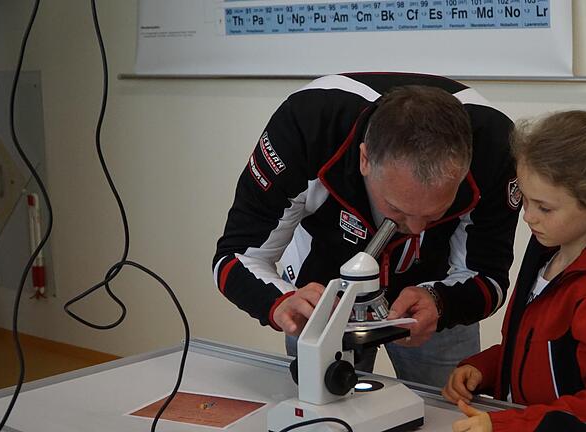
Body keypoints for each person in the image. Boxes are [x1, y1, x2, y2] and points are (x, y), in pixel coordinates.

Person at [213, 72, 520, 387]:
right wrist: (279, 302)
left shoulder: (495, 149)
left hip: (432, 298)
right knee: (321, 410)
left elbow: (490, 277)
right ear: (364, 159)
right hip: (324, 294)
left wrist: (442, 303)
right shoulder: (306, 126)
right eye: (396, 209)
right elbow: (235, 255)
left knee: (448, 410)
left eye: (434, 214)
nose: (414, 228)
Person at [442, 110, 586, 431]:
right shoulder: (545, 251)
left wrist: (508, 425)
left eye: (544, 208)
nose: (528, 217)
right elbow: (540, 350)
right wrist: (486, 369)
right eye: (524, 201)